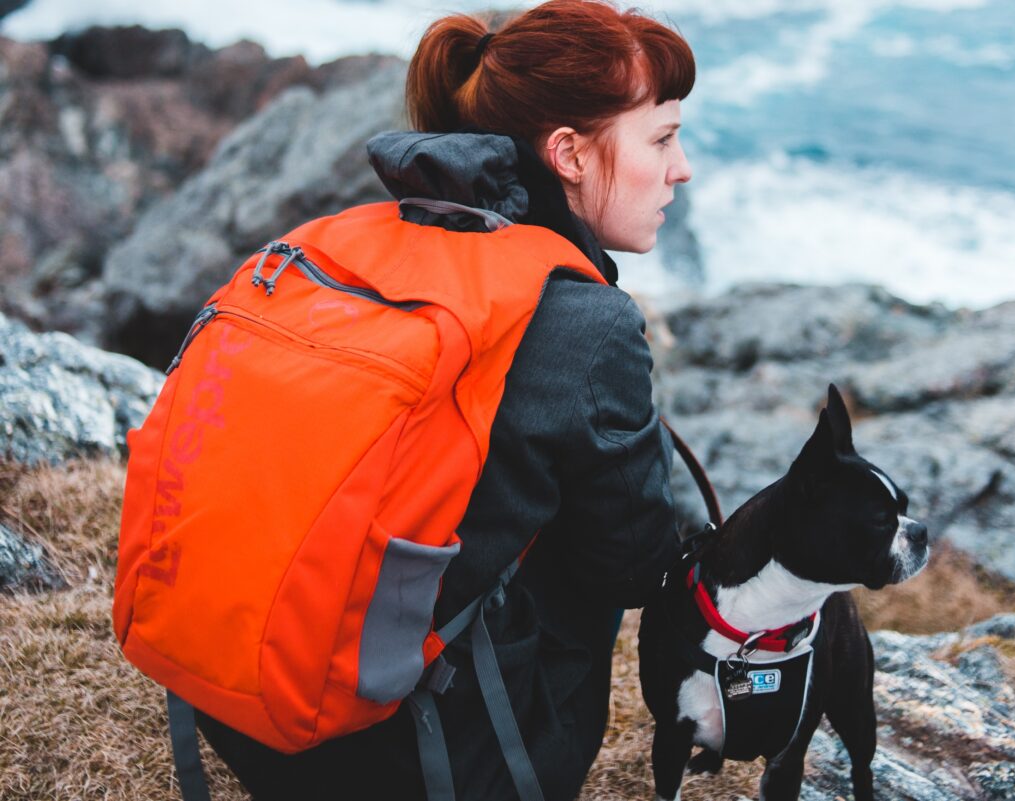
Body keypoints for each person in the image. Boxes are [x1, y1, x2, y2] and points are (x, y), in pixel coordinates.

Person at [195, 1, 695, 798]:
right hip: (420, 754)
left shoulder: (349, 241)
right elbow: (634, 565)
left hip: (243, 705)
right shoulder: (586, 321)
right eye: (663, 138)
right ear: (567, 152)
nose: (682, 168)